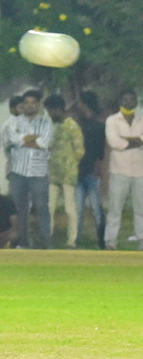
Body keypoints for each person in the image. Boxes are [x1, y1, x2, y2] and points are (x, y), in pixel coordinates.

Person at [4, 88, 53, 249]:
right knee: (18, 210)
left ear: (38, 105)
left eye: (33, 103)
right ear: (22, 105)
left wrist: (24, 140)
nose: (29, 106)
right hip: (18, 172)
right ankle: (22, 243)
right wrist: (34, 140)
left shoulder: (46, 122)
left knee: (41, 208)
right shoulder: (14, 122)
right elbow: (14, 140)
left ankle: (45, 242)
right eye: (26, 103)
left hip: (38, 173)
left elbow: (44, 143)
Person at [103, 90, 143, 251]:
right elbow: (114, 143)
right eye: (125, 99)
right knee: (115, 209)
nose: (128, 102)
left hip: (140, 172)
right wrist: (138, 140)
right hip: (119, 171)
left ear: (136, 102)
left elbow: (122, 142)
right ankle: (110, 242)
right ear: (120, 101)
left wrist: (125, 139)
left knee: (141, 209)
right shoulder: (112, 120)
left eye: (131, 99)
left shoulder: (141, 119)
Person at [44, 95, 85, 249]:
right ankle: (47, 239)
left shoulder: (72, 126)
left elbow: (80, 151)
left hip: (68, 174)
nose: (48, 114)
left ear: (57, 109)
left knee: (70, 209)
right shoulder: (52, 126)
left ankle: (72, 241)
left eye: (50, 111)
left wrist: (69, 163)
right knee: (49, 208)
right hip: (53, 174)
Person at [72, 90, 107, 247]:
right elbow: (100, 153)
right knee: (91, 210)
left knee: (86, 210)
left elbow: (99, 152)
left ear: (84, 104)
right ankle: (99, 241)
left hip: (88, 171)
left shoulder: (84, 126)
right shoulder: (96, 125)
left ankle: (78, 240)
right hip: (87, 171)